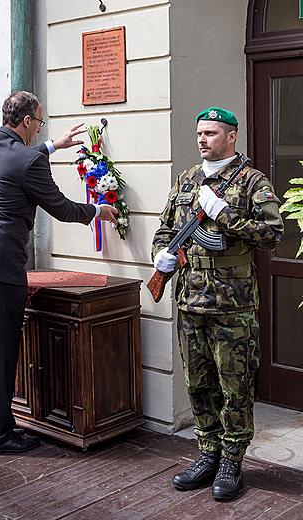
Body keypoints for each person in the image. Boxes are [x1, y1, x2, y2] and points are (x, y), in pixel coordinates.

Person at [0, 90, 118, 455]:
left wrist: (51, 146)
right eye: (39, 122)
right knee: (1, 350)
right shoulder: (29, 162)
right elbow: (59, 207)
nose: (40, 128)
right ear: (27, 121)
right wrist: (97, 212)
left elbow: (15, 161)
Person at [151, 106, 283, 501]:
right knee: (198, 383)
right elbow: (166, 227)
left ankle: (232, 460)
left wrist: (225, 215)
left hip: (233, 305)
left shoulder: (251, 181)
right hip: (190, 301)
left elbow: (272, 235)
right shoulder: (187, 179)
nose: (202, 140)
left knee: (235, 386)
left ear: (231, 137)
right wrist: (162, 254)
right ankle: (207, 452)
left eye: (210, 133)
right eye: (199, 134)